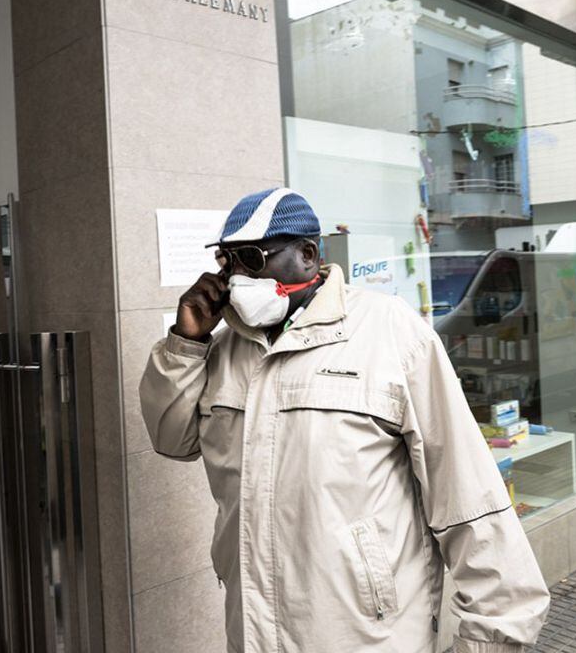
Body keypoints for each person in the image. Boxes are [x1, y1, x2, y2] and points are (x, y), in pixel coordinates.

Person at [140, 188, 549, 652]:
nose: (234, 278)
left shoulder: (388, 331)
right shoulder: (224, 349)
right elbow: (172, 440)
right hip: (255, 633)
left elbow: (465, 492)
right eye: (226, 261)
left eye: (251, 259)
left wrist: (494, 635)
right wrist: (185, 342)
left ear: (308, 255)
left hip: (367, 636)